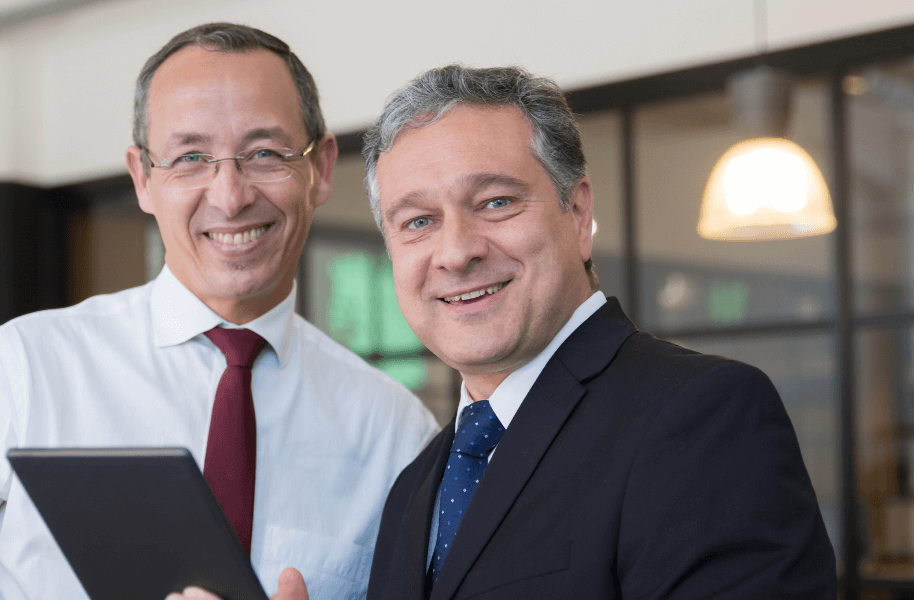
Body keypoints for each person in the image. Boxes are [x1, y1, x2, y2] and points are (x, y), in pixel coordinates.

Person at [175, 64, 837, 600]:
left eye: (495, 202)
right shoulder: (417, 483)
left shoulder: (702, 418)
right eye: (418, 222)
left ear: (577, 214)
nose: (456, 251)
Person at [0, 23, 438, 600]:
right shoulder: (22, 368)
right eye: (190, 157)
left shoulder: (397, 435)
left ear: (322, 169)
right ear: (142, 178)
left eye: (264, 153)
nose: (231, 197)